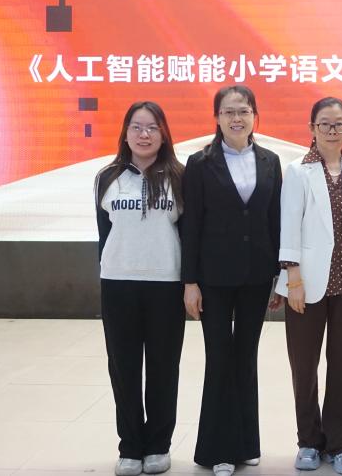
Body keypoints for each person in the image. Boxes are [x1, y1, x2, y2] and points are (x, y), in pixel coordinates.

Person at [181, 85, 283, 476]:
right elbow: (192, 225)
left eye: (243, 111)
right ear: (217, 118)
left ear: (255, 116)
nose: (236, 118)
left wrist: (279, 275)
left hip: (257, 275)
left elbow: (274, 220)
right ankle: (218, 450)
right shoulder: (200, 163)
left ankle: (246, 444)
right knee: (220, 358)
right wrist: (190, 281)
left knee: (246, 356)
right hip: (213, 278)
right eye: (228, 112)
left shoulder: (270, 161)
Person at [276, 97, 342, 475]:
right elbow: (289, 225)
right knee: (304, 366)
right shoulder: (297, 171)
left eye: (339, 124)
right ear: (312, 129)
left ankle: (341, 443)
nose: (332, 131)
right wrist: (293, 278)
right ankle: (308, 440)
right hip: (305, 283)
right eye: (325, 124)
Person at [95, 101, 186, 476]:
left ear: (163, 134)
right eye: (136, 127)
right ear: (125, 133)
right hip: (118, 284)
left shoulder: (180, 177)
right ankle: (130, 446)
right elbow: (105, 234)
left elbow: (187, 235)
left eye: (152, 128)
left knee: (164, 368)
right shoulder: (107, 177)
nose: (144, 134)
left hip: (166, 285)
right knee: (124, 369)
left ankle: (158, 445)